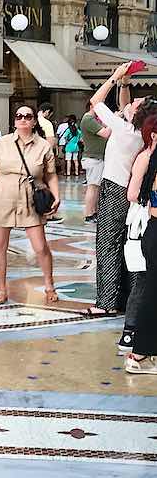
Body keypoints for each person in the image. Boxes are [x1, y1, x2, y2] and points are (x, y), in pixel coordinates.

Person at [85, 63, 157, 317]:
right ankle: (123, 297)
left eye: (136, 103)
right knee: (125, 244)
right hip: (129, 192)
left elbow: (95, 101)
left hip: (115, 191)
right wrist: (124, 84)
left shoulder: (124, 129)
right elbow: (124, 105)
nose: (130, 102)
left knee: (107, 245)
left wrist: (114, 77)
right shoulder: (139, 132)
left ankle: (105, 303)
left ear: (136, 114)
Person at [0, 106, 61, 304]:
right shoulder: (3, 142)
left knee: (40, 246)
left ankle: (49, 285)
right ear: (14, 120)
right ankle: (1, 290)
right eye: (19, 116)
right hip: (3, 195)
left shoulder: (43, 146)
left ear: (35, 121)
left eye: (28, 116)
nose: (23, 119)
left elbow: (50, 174)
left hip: (30, 197)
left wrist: (56, 195)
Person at [119, 113, 157, 359]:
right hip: (147, 224)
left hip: (151, 224)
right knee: (146, 286)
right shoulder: (148, 158)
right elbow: (135, 194)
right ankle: (136, 343)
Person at [80, 107, 110, 221]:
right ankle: (89, 214)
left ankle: (93, 211)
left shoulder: (94, 119)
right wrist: (115, 120)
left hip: (96, 158)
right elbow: (106, 133)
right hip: (94, 159)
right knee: (93, 187)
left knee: (95, 187)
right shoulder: (88, 119)